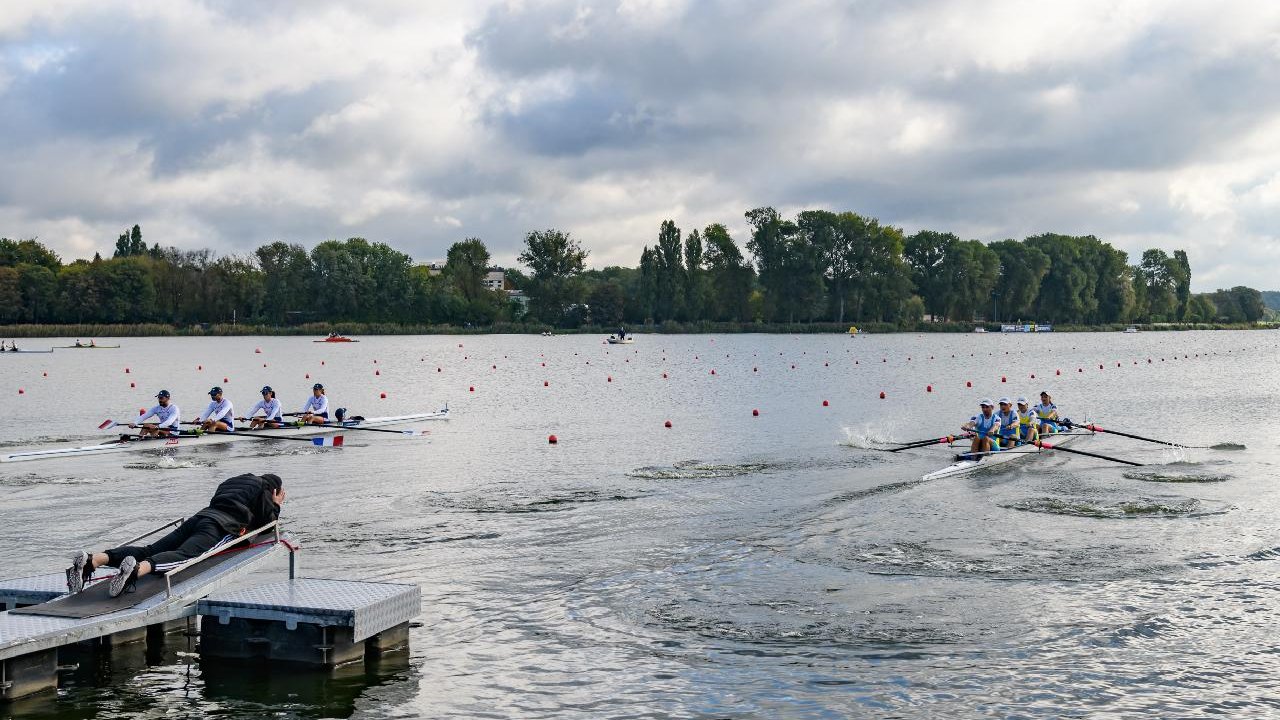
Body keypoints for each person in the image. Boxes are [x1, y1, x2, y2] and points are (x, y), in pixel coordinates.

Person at [65, 473, 286, 598]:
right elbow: (268, 526)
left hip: (198, 518)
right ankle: (136, 570)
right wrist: (275, 505)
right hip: (220, 528)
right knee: (185, 556)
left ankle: (94, 559)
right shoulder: (264, 489)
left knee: (149, 549)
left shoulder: (233, 481)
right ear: (274, 488)